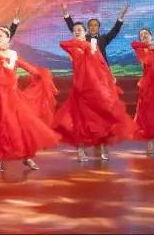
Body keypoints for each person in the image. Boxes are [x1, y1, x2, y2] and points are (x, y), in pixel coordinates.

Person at [0, 26, 59, 172]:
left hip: (11, 98)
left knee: (18, 127)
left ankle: (26, 157)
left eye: (1, 35)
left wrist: (41, 75)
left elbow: (29, 68)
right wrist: (2, 59)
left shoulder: (14, 55)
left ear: (8, 39)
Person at [53, 22, 135, 161]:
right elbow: (62, 43)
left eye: (80, 29)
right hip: (80, 89)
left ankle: (102, 147)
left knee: (100, 118)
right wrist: (84, 44)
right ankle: (81, 150)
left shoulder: (93, 46)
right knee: (80, 120)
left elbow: (102, 64)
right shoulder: (72, 47)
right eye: (74, 30)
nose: (77, 32)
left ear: (85, 32)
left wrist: (109, 77)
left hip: (96, 88)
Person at [61, 2, 128, 66]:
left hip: (102, 68)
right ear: (88, 27)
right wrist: (65, 13)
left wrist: (121, 16)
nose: (93, 27)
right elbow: (73, 27)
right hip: (88, 68)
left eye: (95, 25)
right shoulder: (83, 38)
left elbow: (115, 30)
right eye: (91, 25)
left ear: (99, 27)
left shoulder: (104, 39)